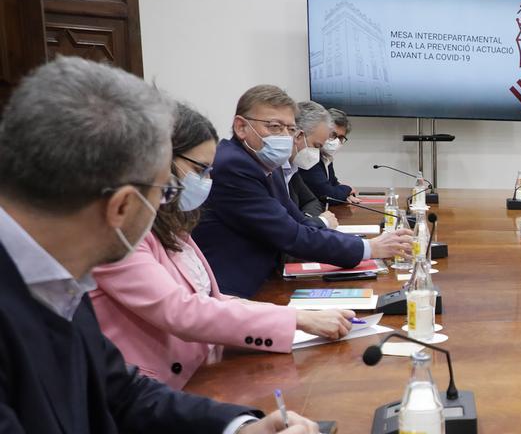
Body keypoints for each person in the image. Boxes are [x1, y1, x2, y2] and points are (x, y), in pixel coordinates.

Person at [0, 57, 327, 434]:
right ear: (123, 206)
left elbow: (123, 392)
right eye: (165, 191)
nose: (169, 205)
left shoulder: (52, 268)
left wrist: (241, 430)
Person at [90, 102, 355, 392]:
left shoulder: (170, 224)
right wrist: (295, 318)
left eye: (209, 171)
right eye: (199, 170)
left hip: (202, 372)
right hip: (154, 394)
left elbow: (212, 298)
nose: (206, 181)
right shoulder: (120, 235)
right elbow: (182, 311)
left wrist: (295, 318)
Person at [193, 85, 410, 298]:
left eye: (289, 129)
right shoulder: (234, 166)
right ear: (241, 127)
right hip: (235, 293)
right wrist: (369, 248)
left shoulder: (268, 166)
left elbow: (299, 222)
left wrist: (362, 245)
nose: (284, 136)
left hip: (268, 281)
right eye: (275, 127)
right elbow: (291, 235)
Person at [286, 102, 339, 228]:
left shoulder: (291, 169)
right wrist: (320, 222)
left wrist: (308, 220)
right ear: (298, 136)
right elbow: (283, 226)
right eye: (316, 146)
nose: (318, 153)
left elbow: (311, 201)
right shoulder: (272, 170)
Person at [298, 106, 358, 204]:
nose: (336, 141)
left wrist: (345, 195)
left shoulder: (325, 156)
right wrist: (348, 189)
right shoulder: (309, 156)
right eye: (332, 135)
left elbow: (333, 183)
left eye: (341, 138)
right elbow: (328, 194)